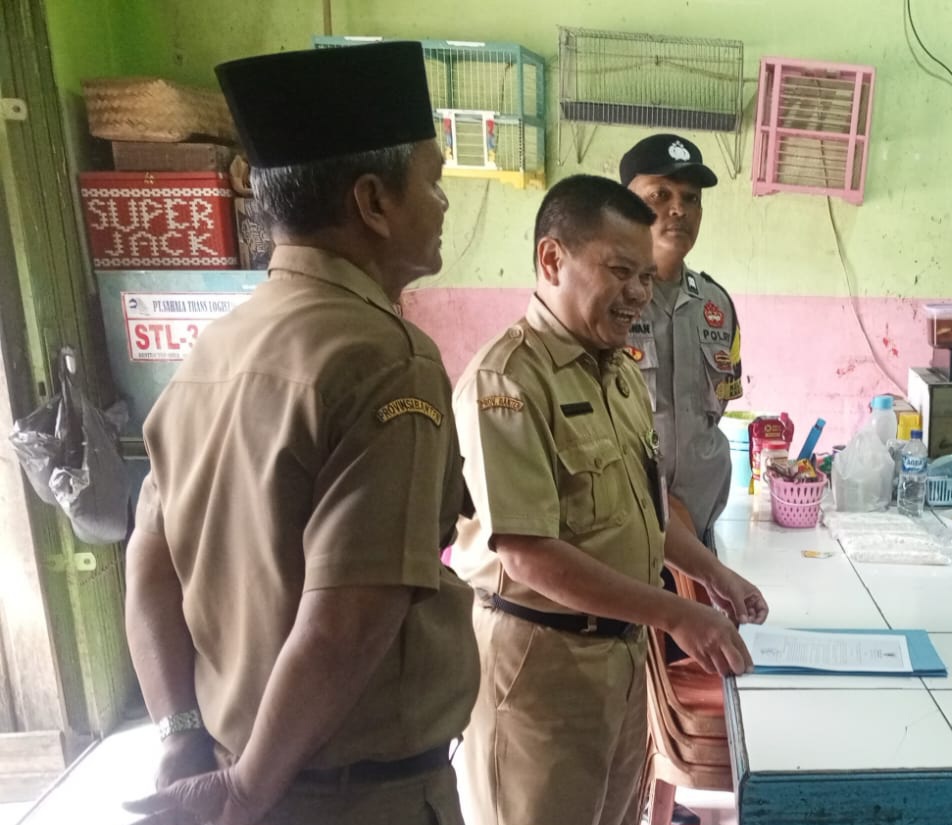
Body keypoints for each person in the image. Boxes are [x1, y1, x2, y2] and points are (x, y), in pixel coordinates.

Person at [121, 42, 477, 825]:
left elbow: (149, 563)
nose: (444, 203)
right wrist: (250, 788)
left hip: (238, 772)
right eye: (434, 179)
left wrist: (183, 736)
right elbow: (346, 620)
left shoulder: (216, 348)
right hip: (358, 796)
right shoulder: (388, 360)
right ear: (373, 201)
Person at [450, 174, 769, 825]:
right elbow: (530, 554)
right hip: (542, 672)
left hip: (621, 664)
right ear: (552, 260)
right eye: (620, 271)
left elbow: (646, 510)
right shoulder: (506, 381)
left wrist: (714, 575)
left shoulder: (619, 373)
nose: (638, 293)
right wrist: (675, 614)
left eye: (646, 277)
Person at [620, 134, 743, 551]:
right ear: (625, 206)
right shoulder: (607, 299)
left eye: (691, 199)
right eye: (660, 195)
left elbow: (720, 404)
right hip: (623, 533)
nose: (679, 209)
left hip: (699, 525)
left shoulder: (716, 304)